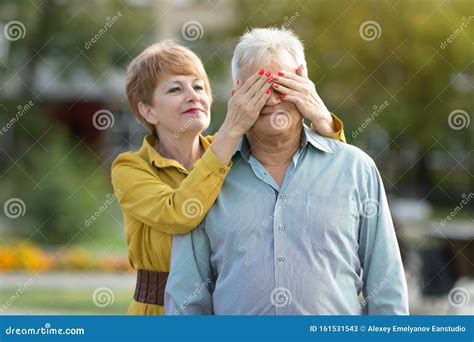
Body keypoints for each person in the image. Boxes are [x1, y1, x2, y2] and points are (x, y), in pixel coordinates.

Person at [165, 28, 409, 315]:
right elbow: (185, 301)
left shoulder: (356, 169)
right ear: (236, 97)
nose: (270, 101)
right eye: (257, 89)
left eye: (280, 85)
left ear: (303, 83)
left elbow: (387, 286)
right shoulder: (206, 180)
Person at [111, 40, 346, 315]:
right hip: (159, 313)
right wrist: (233, 128)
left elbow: (323, 171)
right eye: (176, 88)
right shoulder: (130, 167)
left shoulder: (234, 153)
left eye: (199, 86)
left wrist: (321, 119)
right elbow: (179, 214)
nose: (193, 95)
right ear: (147, 110)